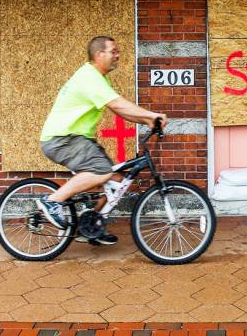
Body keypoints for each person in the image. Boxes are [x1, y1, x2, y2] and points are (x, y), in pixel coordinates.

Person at [36, 35, 167, 244]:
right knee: (103, 171)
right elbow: (118, 105)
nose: (118, 55)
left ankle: (90, 227)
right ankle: (53, 201)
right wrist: (151, 115)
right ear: (99, 54)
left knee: (117, 181)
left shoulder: (97, 77)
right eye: (113, 51)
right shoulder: (90, 77)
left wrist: (146, 120)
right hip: (63, 139)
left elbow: (122, 112)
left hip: (77, 139)